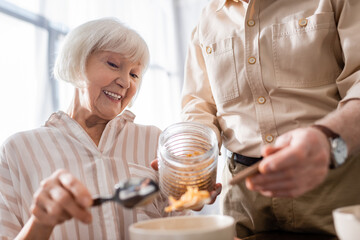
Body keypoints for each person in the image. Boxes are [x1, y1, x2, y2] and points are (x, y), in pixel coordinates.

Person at [181, 0, 360, 238]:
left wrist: (326, 138)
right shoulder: (208, 16)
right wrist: (192, 160)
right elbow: (199, 105)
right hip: (242, 198)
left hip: (335, 181)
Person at [0, 17, 183, 240]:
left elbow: (183, 223)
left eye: (134, 74)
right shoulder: (18, 150)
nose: (126, 82)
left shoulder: (155, 140)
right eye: (113, 64)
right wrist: (41, 222)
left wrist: (195, 192)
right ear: (77, 64)